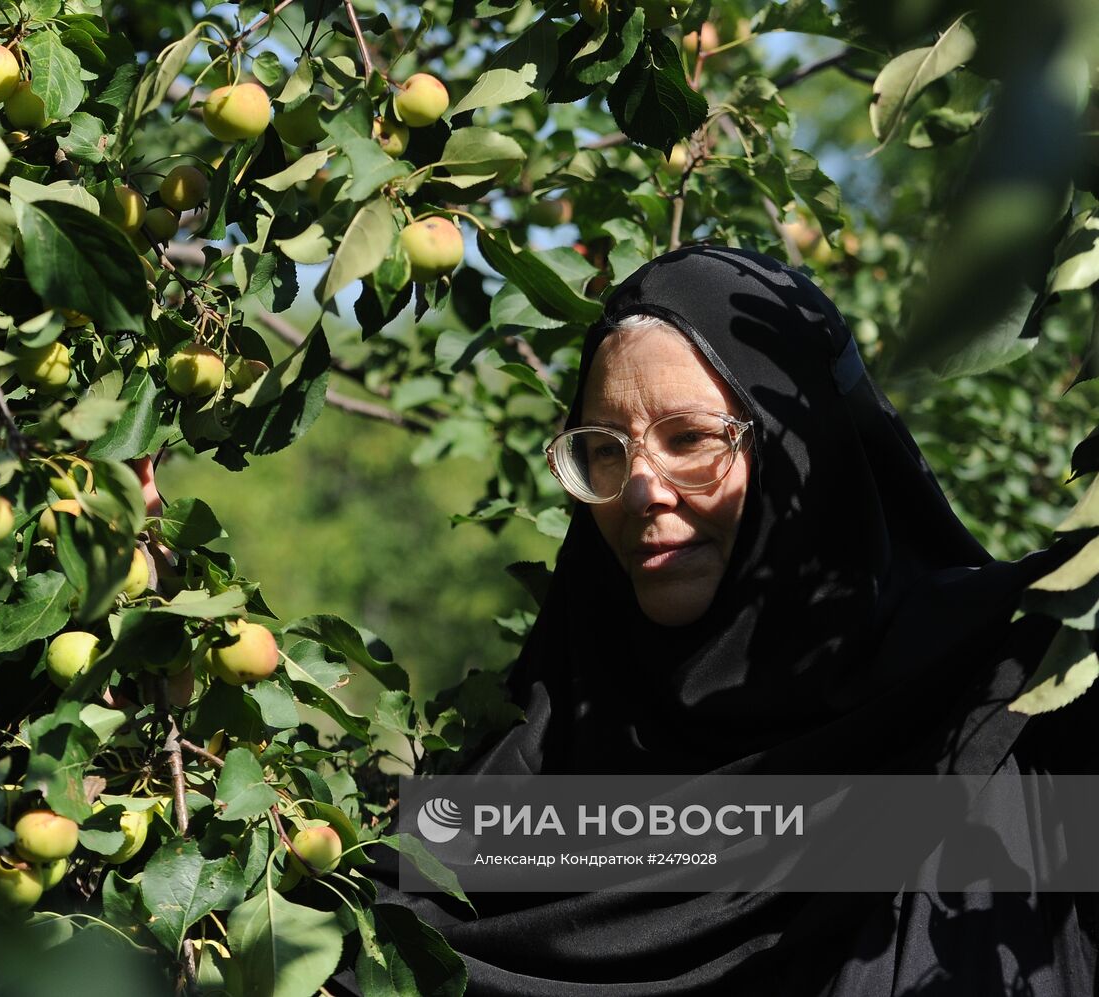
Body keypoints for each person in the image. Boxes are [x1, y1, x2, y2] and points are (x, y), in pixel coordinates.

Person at [328, 245, 1099, 995]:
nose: (639, 492)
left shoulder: (1015, 694)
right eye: (604, 450)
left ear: (804, 458)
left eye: (690, 439)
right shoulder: (523, 781)